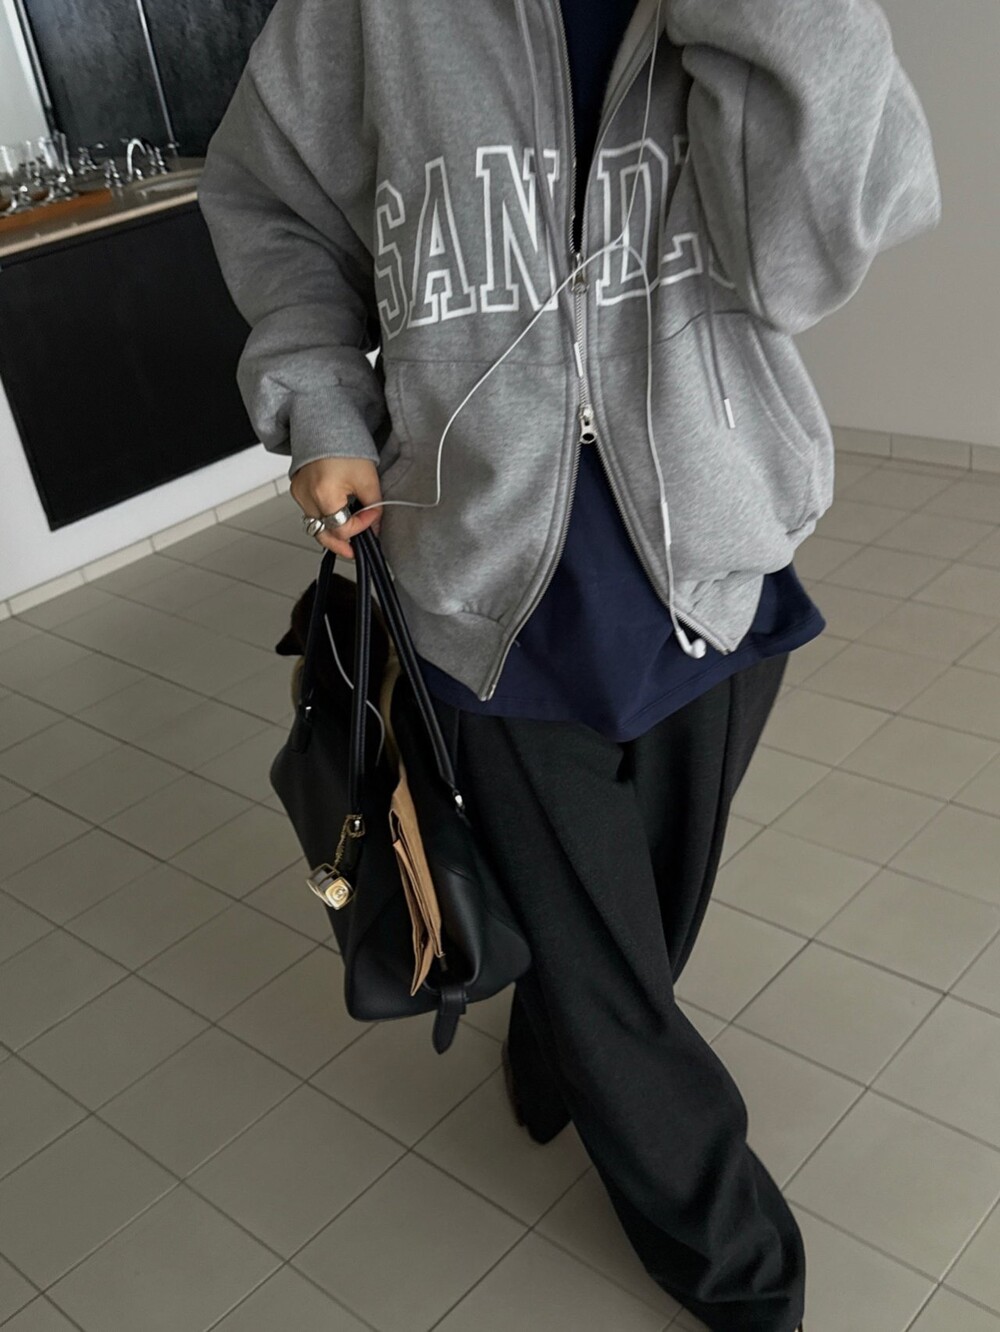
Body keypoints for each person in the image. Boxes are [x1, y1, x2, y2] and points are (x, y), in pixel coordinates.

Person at [198, 0, 942, 1327]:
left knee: (649, 914)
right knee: (616, 986)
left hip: (709, 565)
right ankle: (737, 1269)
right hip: (486, 585)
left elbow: (805, 259)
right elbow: (270, 199)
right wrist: (320, 398)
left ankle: (551, 1051)